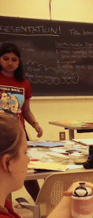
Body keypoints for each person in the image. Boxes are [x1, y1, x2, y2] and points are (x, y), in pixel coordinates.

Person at [1, 42, 44, 201]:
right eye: (6, 58)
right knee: (3, 172)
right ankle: (5, 209)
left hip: (18, 132)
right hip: (1, 133)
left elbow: (25, 110)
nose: (10, 63)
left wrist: (35, 124)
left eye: (14, 59)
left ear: (19, 62)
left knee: (23, 168)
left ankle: (40, 203)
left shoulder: (24, 83)